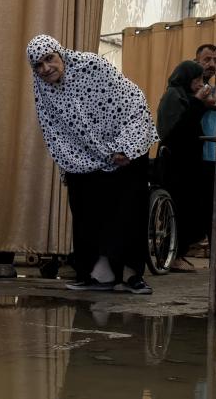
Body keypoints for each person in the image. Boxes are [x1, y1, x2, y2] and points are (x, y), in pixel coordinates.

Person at [27, 34, 158, 295]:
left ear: (61, 53)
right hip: (86, 155)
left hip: (126, 144)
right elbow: (54, 131)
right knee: (85, 207)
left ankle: (131, 275)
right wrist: (74, 160)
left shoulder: (92, 65)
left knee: (128, 209)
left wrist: (125, 146)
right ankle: (98, 273)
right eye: (38, 65)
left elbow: (133, 102)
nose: (46, 68)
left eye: (49, 59)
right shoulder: (43, 89)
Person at [157, 61, 211, 272]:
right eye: (197, 79)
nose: (200, 84)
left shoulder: (183, 96)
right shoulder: (173, 96)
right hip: (176, 165)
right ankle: (173, 256)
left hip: (187, 164)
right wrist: (197, 101)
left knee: (189, 210)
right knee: (179, 211)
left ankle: (178, 254)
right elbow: (178, 130)